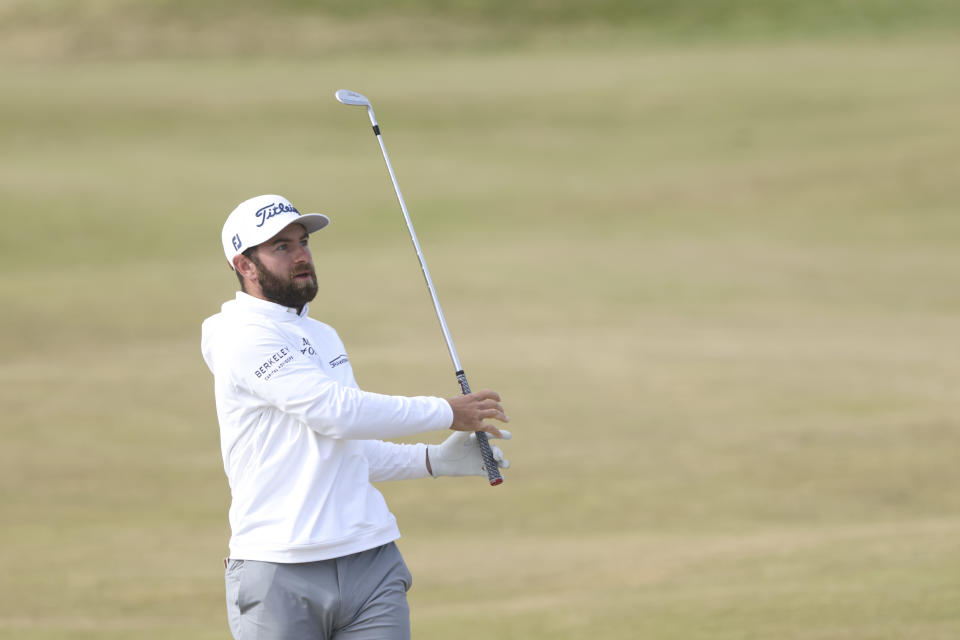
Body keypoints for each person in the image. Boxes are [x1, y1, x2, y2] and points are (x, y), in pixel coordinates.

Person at [201, 194, 511, 640]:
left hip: (370, 560)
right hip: (279, 570)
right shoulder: (239, 335)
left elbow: (346, 448)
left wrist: (431, 461)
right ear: (245, 265)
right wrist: (446, 411)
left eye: (303, 242)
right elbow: (335, 414)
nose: (302, 255)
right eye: (282, 247)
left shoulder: (322, 335)